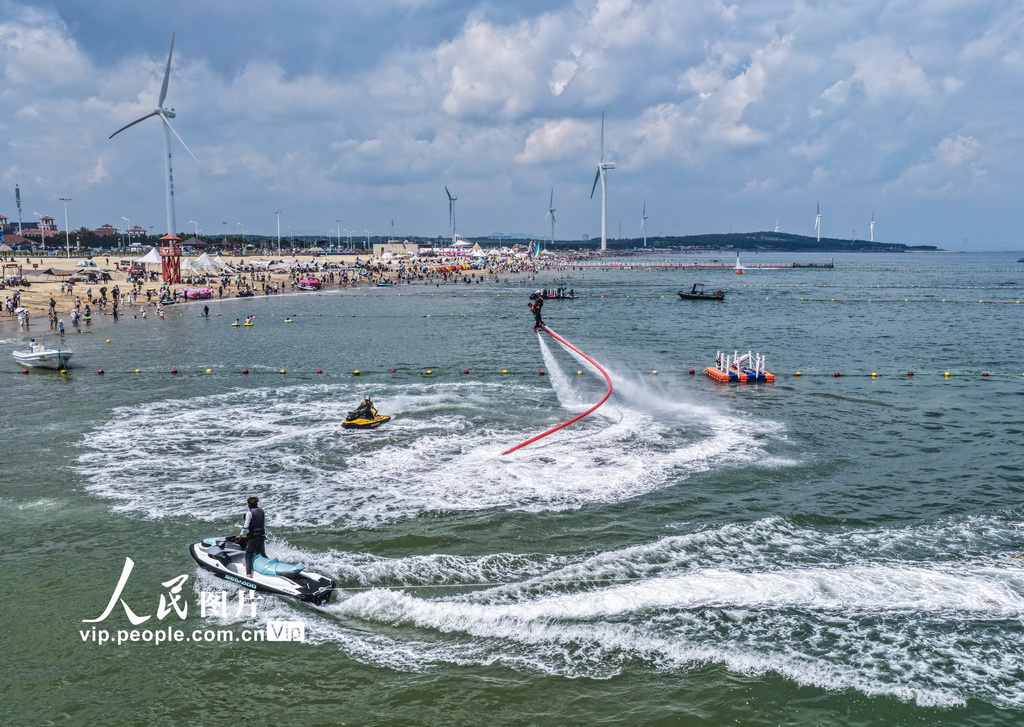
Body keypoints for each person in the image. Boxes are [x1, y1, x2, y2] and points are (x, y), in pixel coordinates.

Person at [239, 496, 267, 577]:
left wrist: (241, 535)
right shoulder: (261, 510)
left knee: (248, 555)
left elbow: (246, 525)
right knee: (262, 553)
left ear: (248, 504)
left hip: (253, 537)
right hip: (261, 535)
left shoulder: (249, 512)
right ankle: (268, 566)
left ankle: (248, 574)